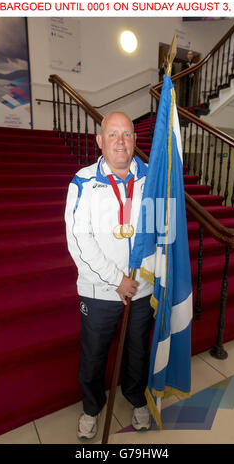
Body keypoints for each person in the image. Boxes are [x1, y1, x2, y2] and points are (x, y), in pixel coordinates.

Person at [65, 112, 154, 440]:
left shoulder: (151, 179)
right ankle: (91, 406)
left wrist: (146, 275)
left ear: (134, 140)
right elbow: (78, 239)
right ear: (100, 141)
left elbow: (161, 230)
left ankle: (135, 397)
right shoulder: (83, 182)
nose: (120, 141)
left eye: (127, 134)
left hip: (142, 288)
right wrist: (116, 280)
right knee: (94, 354)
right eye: (112, 134)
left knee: (137, 351)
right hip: (99, 290)